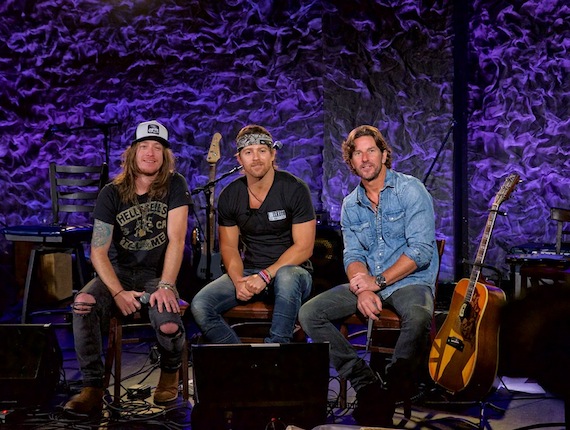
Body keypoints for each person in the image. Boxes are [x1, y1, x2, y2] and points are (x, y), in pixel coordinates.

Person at [299, 125, 439, 426]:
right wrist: (362, 288)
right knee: (310, 313)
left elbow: (421, 251)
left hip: (410, 281)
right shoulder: (351, 204)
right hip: (370, 282)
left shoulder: (411, 190)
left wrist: (377, 283)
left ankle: (390, 389)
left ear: (385, 154)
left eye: (371, 150)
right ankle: (366, 384)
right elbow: (353, 255)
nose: (365, 158)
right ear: (350, 162)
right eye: (357, 153)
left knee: (418, 316)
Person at [64, 120, 191, 415]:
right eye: (144, 146)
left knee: (170, 325)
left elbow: (177, 239)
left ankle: (170, 374)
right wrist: (118, 291)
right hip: (117, 275)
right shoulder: (112, 192)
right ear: (132, 152)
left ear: (165, 155)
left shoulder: (175, 184)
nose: (150, 153)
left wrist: (166, 285)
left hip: (156, 276)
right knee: (83, 303)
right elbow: (98, 250)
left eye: (157, 148)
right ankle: (92, 387)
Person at [191, 124, 316, 344]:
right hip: (250, 271)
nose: (256, 158)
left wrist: (266, 275)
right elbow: (229, 247)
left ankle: (275, 354)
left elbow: (304, 247)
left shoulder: (294, 188)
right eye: (248, 152)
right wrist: (239, 281)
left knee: (286, 276)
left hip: (293, 273)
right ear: (239, 159)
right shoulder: (230, 195)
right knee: (201, 304)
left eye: (262, 151)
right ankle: (244, 364)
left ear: (272, 154)